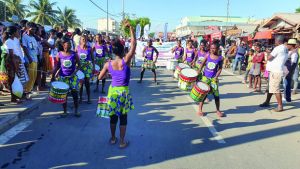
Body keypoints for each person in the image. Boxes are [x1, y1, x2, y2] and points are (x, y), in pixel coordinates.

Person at [97, 20, 136, 149]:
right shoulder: (126, 61)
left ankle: (113, 138)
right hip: (123, 92)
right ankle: (122, 142)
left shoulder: (108, 64)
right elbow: (134, 45)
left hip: (113, 92)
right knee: (123, 118)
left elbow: (99, 77)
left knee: (113, 117)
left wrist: (109, 74)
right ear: (123, 50)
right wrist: (130, 27)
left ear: (113, 51)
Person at [51, 38, 82, 118]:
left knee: (75, 95)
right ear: (63, 44)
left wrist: (75, 72)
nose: (70, 45)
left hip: (73, 78)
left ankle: (77, 110)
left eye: (70, 43)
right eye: (68, 43)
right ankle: (65, 111)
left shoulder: (74, 54)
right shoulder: (59, 54)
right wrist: (53, 72)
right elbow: (58, 66)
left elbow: (79, 64)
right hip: (63, 78)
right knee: (64, 96)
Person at [259, 35, 288, 112]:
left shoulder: (278, 48)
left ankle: (280, 106)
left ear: (278, 41)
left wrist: (268, 52)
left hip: (276, 72)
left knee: (275, 89)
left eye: (275, 41)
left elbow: (269, 58)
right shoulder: (284, 48)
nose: (274, 42)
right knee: (270, 88)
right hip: (275, 71)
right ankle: (267, 102)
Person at [196, 39, 224, 117]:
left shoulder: (220, 58)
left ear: (217, 49)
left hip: (213, 79)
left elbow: (220, 68)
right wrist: (199, 70)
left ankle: (218, 110)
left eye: (214, 48)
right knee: (203, 94)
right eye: (211, 48)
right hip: (206, 78)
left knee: (216, 95)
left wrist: (216, 77)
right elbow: (202, 63)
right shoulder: (208, 54)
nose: (212, 50)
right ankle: (200, 109)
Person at [3, 26, 23, 104]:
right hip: (11, 63)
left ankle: (15, 97)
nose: (18, 33)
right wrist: (16, 67)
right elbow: (12, 55)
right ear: (14, 33)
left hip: (14, 62)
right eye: (17, 32)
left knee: (15, 79)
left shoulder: (12, 40)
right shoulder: (9, 41)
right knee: (12, 79)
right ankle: (13, 99)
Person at [75, 36, 95, 104]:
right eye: (83, 39)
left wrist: (93, 67)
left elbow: (92, 58)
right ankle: (80, 98)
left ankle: (89, 98)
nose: (84, 41)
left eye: (85, 39)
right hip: (79, 67)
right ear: (80, 41)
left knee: (87, 83)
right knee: (80, 83)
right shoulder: (77, 48)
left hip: (87, 67)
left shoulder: (89, 48)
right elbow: (74, 57)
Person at [22, 22, 38, 99]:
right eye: (32, 29)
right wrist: (30, 58)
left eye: (34, 29)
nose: (33, 31)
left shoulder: (33, 38)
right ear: (28, 29)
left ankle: (31, 90)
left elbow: (35, 49)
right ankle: (28, 91)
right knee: (30, 76)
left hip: (35, 59)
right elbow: (25, 48)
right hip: (29, 59)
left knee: (34, 76)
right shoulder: (25, 37)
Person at [282, 39, 299, 104]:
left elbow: (293, 64)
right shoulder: (289, 52)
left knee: (287, 86)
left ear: (291, 45)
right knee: (285, 85)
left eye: (288, 44)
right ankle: (286, 97)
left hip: (288, 72)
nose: (287, 45)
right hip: (286, 71)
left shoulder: (294, 53)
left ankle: (288, 99)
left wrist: (290, 74)